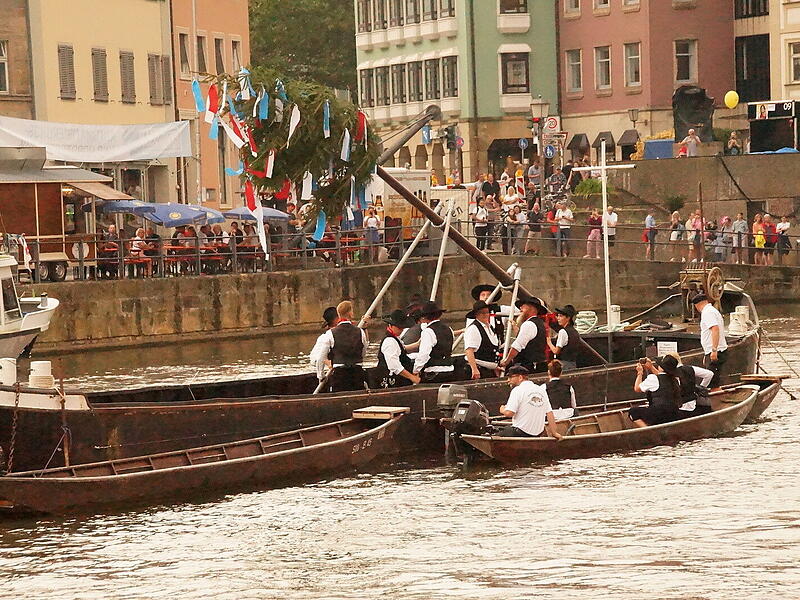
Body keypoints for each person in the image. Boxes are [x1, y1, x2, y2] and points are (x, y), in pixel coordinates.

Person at [314, 301, 369, 393]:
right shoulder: (360, 332)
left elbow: (321, 358)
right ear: (350, 313)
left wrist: (321, 376)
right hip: (357, 373)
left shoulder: (330, 334)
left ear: (339, 314)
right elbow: (363, 352)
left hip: (340, 375)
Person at [497, 365, 562, 439]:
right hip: (538, 434)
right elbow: (549, 413)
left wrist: (502, 410)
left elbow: (509, 413)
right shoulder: (541, 390)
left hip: (519, 433)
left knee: (495, 434)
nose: (508, 380)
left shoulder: (517, 390)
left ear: (520, 377)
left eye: (510, 377)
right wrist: (554, 433)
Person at [500, 295, 549, 374]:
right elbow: (527, 339)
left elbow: (517, 345)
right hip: (538, 366)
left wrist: (506, 361)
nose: (520, 308)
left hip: (529, 367)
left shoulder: (529, 324)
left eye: (523, 306)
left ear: (532, 308)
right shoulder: (539, 323)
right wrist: (516, 329)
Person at [629, 357, 682, 427]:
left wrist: (640, 373)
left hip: (658, 414)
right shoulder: (675, 380)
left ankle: (649, 431)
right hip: (674, 414)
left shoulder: (653, 378)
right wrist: (651, 367)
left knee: (633, 411)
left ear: (661, 368)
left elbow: (637, 388)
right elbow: (663, 376)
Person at [375, 309, 420, 388]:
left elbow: (401, 349)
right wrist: (412, 377)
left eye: (403, 327)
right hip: (392, 381)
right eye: (399, 327)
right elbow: (394, 366)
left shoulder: (395, 338)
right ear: (391, 325)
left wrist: (417, 344)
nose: (402, 329)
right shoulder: (389, 341)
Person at [691, 293, 728, 390]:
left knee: (713, 382)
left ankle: (717, 402)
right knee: (713, 380)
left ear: (697, 305)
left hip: (716, 351)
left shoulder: (707, 312)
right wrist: (707, 353)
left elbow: (715, 329)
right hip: (713, 350)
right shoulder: (712, 311)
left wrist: (714, 350)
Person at [413, 301, 455, 383]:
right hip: (450, 369)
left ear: (425, 317)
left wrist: (416, 370)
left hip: (434, 372)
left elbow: (424, 354)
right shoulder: (449, 329)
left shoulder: (428, 331)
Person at [463, 301, 501, 380]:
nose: (485, 315)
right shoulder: (473, 328)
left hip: (489, 371)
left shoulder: (490, 327)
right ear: (476, 314)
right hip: (479, 370)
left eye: (487, 312)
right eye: (482, 313)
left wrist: (494, 367)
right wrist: (474, 369)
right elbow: (469, 351)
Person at [547, 304, 582, 371]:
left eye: (561, 316)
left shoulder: (563, 332)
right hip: (573, 364)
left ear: (568, 318)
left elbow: (556, 351)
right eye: (558, 316)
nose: (558, 318)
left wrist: (549, 342)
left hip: (563, 365)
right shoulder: (575, 332)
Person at [310, 306, 338, 382]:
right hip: (334, 375)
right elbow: (314, 359)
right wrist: (327, 362)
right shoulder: (324, 338)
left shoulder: (349, 334)